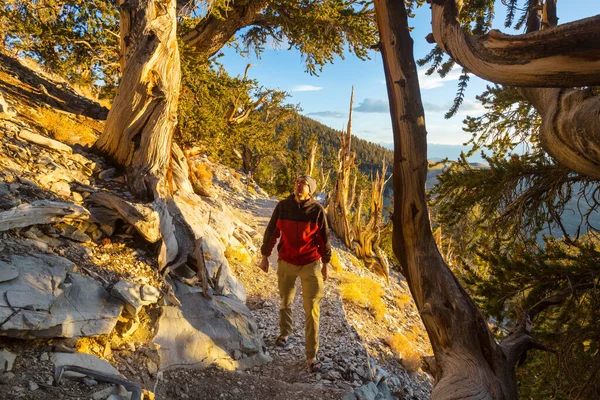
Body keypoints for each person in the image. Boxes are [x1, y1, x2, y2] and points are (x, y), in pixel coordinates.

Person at [259, 175, 331, 373]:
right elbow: (272, 231)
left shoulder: (317, 210)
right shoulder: (283, 206)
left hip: (310, 264)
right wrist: (265, 256)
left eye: (304, 184)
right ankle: (285, 333)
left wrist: (326, 263)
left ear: (310, 190)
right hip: (287, 263)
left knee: (312, 310)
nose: (299, 185)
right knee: (285, 301)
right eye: (297, 182)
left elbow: (324, 238)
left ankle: (311, 355)